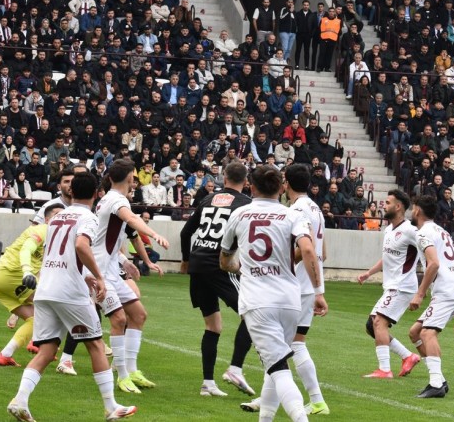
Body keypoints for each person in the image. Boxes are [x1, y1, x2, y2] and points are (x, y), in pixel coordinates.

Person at [5, 172, 137, 422]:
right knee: (96, 345)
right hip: (69, 292)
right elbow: (80, 245)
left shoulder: (57, 217)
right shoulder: (89, 217)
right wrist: (98, 276)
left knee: (47, 350)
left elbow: (59, 252)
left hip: (45, 290)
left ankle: (20, 400)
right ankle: (111, 407)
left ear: (72, 192)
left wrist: (84, 275)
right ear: (97, 193)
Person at [218, 164, 326, 422]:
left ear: (251, 187)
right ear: (280, 187)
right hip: (290, 300)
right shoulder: (291, 215)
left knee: (278, 368)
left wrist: (237, 267)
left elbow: (225, 260)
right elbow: (309, 250)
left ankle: (301, 418)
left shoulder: (240, 214)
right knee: (275, 363)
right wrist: (318, 291)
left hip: (258, 301)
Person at [89, 159, 169, 394]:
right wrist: (154, 234)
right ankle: (122, 375)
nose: (135, 181)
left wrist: (125, 262)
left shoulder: (110, 199)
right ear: (130, 179)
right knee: (119, 319)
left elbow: (111, 239)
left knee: (138, 315)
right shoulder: (117, 200)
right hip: (99, 271)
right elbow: (133, 220)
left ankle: (132, 370)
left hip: (110, 269)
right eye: (134, 177)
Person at [179, 161, 256, 397]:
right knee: (254, 313)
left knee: (213, 326)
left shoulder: (208, 199)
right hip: (219, 264)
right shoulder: (246, 204)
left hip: (198, 263)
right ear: (246, 181)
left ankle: (208, 384)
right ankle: (235, 368)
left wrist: (185, 260)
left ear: (224, 177)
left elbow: (185, 232)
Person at [355, 190, 422, 379]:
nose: (384, 205)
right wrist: (369, 273)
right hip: (392, 286)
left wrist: (423, 290)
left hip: (402, 286)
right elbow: (387, 258)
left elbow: (429, 253)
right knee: (372, 326)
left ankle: (384, 370)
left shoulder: (410, 231)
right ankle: (408, 356)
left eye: (387, 202)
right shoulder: (388, 230)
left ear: (398, 206)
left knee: (379, 322)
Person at [406, 195, 454, 398]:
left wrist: (420, 293)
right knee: (415, 333)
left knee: (427, 334)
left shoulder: (423, 233)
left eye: (413, 208)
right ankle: (439, 379)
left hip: (447, 290)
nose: (412, 212)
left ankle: (435, 384)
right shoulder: (441, 231)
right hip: (453, 288)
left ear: (417, 211)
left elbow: (434, 263)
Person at [0, 203, 65, 367]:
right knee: (55, 307)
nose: (61, 219)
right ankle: (39, 343)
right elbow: (26, 249)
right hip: (13, 275)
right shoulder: (43, 230)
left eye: (63, 216)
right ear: (47, 219)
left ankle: (5, 355)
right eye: (57, 215)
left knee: (35, 319)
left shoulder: (55, 238)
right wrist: (26, 271)